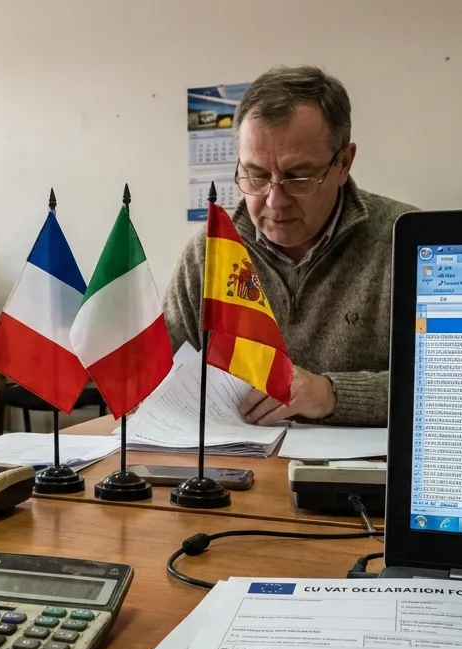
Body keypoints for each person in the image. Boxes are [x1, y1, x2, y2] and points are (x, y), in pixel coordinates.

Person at [164, 65, 417, 427]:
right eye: (256, 175)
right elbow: (161, 380)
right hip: (235, 460)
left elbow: (455, 387)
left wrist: (332, 394)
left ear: (343, 163)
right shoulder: (209, 254)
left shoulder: (407, 244)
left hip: (364, 464)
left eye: (298, 177)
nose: (274, 201)